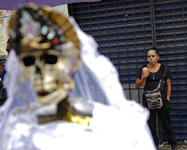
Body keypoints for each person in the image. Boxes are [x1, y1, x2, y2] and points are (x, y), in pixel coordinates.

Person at [0, 3, 156, 150]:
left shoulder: (115, 125)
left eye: (50, 59)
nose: (39, 72)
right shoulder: (17, 128)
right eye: (28, 61)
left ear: (71, 62)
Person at [135, 47, 178, 150]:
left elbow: (169, 85)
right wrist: (144, 77)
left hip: (162, 100)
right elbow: (137, 85)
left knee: (166, 123)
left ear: (158, 57)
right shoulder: (144, 69)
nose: (151, 58)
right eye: (149, 56)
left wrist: (167, 98)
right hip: (148, 100)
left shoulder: (164, 68)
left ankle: (173, 143)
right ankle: (155, 144)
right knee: (151, 125)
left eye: (153, 56)